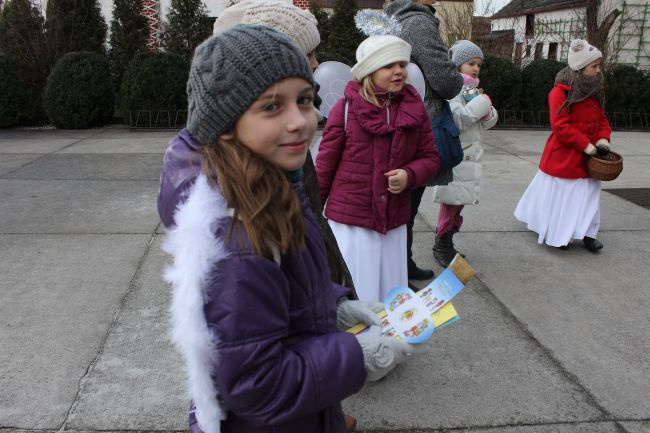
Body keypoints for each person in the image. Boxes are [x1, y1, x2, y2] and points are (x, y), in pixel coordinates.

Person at [159, 25, 422, 433]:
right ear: (225, 122)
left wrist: (335, 309)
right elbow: (254, 385)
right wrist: (356, 355)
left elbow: (283, 295)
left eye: (304, 100)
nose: (301, 121)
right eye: (271, 107)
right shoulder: (239, 236)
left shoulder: (272, 183)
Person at [159, 0, 356, 291]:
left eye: (302, 100)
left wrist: (334, 301)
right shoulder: (238, 231)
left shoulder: (280, 151)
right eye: (307, 53)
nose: (316, 63)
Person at [316, 34, 440, 301]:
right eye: (388, 65)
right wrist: (312, 210)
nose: (398, 71)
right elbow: (325, 163)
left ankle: (386, 337)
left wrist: (410, 175)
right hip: (352, 223)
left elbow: (430, 157)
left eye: (402, 64)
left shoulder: (414, 108)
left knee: (389, 294)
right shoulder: (345, 109)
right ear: (369, 71)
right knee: (356, 291)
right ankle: (353, 341)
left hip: (393, 223)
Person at [384, 0, 463, 280]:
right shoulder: (418, 22)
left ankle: (400, 266)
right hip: (419, 125)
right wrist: (458, 74)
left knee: (400, 205)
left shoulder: (395, 18)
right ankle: (398, 275)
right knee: (405, 207)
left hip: (401, 123)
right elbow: (447, 80)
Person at [514, 39, 611, 251]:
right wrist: (585, 145)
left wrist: (603, 139)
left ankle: (587, 232)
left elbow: (602, 119)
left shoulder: (596, 90)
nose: (598, 71)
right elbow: (560, 125)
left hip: (591, 156)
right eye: (594, 66)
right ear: (580, 67)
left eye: (598, 66)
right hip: (566, 154)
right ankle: (560, 234)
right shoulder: (560, 92)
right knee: (565, 197)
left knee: (589, 196)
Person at [431, 40, 498, 267]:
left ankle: (447, 242)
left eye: (479, 64)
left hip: (470, 158)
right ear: (458, 64)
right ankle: (441, 244)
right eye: (471, 63)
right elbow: (457, 120)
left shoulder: (472, 90)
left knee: (458, 205)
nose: (476, 68)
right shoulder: (453, 91)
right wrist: (481, 104)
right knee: (451, 205)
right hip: (457, 158)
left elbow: (483, 122)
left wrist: (487, 111)